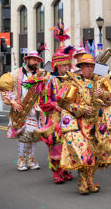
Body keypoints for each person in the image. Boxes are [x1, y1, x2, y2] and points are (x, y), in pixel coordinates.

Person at [57, 54, 111, 194]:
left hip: (96, 124)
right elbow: (63, 102)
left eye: (92, 66)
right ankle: (83, 183)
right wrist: (81, 109)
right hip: (79, 124)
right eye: (87, 66)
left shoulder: (99, 81)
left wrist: (103, 94)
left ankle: (90, 181)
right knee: (83, 154)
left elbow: (109, 101)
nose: (90, 69)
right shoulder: (73, 82)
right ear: (80, 68)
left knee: (95, 156)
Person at [0, 51, 44, 171]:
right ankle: (21, 161)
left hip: (36, 111)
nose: (36, 62)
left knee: (33, 136)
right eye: (33, 60)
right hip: (21, 109)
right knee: (24, 136)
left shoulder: (40, 75)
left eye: (37, 60)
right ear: (27, 60)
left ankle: (30, 160)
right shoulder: (15, 74)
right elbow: (3, 87)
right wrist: (12, 102)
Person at [37, 47, 75, 184]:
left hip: (69, 118)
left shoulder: (70, 79)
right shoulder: (50, 80)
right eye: (64, 65)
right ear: (58, 66)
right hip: (54, 118)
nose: (67, 68)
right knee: (56, 145)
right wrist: (53, 105)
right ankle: (57, 172)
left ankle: (65, 170)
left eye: (68, 65)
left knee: (68, 144)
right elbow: (42, 101)